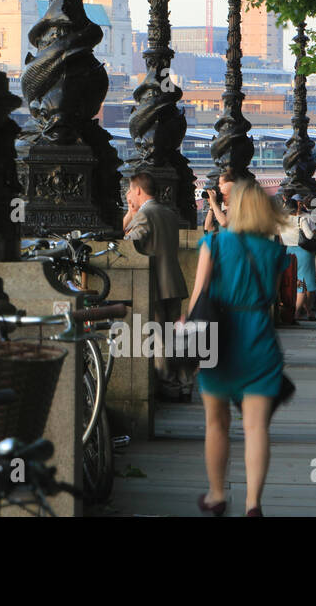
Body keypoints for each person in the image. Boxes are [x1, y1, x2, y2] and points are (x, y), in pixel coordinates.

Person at [184, 178, 290, 518]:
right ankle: (253, 504)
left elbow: (199, 296)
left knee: (216, 422)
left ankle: (217, 495)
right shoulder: (275, 252)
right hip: (258, 336)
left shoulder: (212, 244)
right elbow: (271, 298)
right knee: (256, 427)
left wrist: (186, 333)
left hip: (219, 338)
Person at [123, 171, 191, 401]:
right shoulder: (168, 213)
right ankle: (184, 384)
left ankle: (168, 386)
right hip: (173, 281)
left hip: (154, 284)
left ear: (139, 190)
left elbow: (128, 245)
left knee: (158, 337)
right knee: (172, 338)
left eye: (131, 190)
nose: (129, 194)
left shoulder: (145, 215)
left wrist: (131, 213)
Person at [279, 197, 316, 321]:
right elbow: (310, 235)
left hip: (288, 251)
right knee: (303, 283)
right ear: (296, 209)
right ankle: (297, 313)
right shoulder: (300, 219)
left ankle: (296, 311)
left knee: (292, 281)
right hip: (303, 253)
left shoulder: (281, 221)